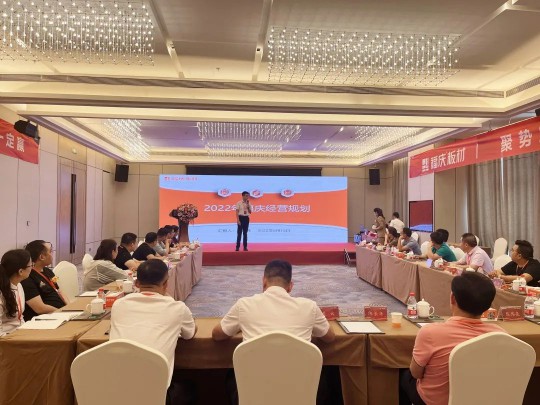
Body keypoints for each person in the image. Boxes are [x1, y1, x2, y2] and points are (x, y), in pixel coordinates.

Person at [399, 272, 505, 405]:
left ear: (453, 298)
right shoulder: (500, 335)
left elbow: (416, 373)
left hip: (435, 401)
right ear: (488, 305)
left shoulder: (430, 333)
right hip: (480, 399)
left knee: (404, 375)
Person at [110, 259, 197, 405]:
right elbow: (189, 334)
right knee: (190, 388)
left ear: (136, 283)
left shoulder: (118, 305)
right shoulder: (177, 308)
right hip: (157, 395)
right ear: (166, 284)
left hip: (116, 391)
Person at [212, 259, 335, 342]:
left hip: (254, 374)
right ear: (290, 286)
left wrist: (241, 324)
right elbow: (330, 337)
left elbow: (217, 335)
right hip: (299, 374)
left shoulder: (244, 305)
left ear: (264, 281)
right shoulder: (309, 307)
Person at [21, 240, 65, 321]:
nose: (52, 254)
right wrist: (62, 313)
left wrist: (69, 307)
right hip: (47, 318)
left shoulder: (49, 271)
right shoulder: (27, 278)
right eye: (50, 251)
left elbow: (60, 291)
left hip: (61, 313)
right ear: (42, 257)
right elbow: (40, 308)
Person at [0, 250, 32, 336]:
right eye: (30, 265)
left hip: (19, 333)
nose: (32, 268)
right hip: (6, 338)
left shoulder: (18, 285)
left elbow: (20, 319)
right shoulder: (1, 292)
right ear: (20, 271)